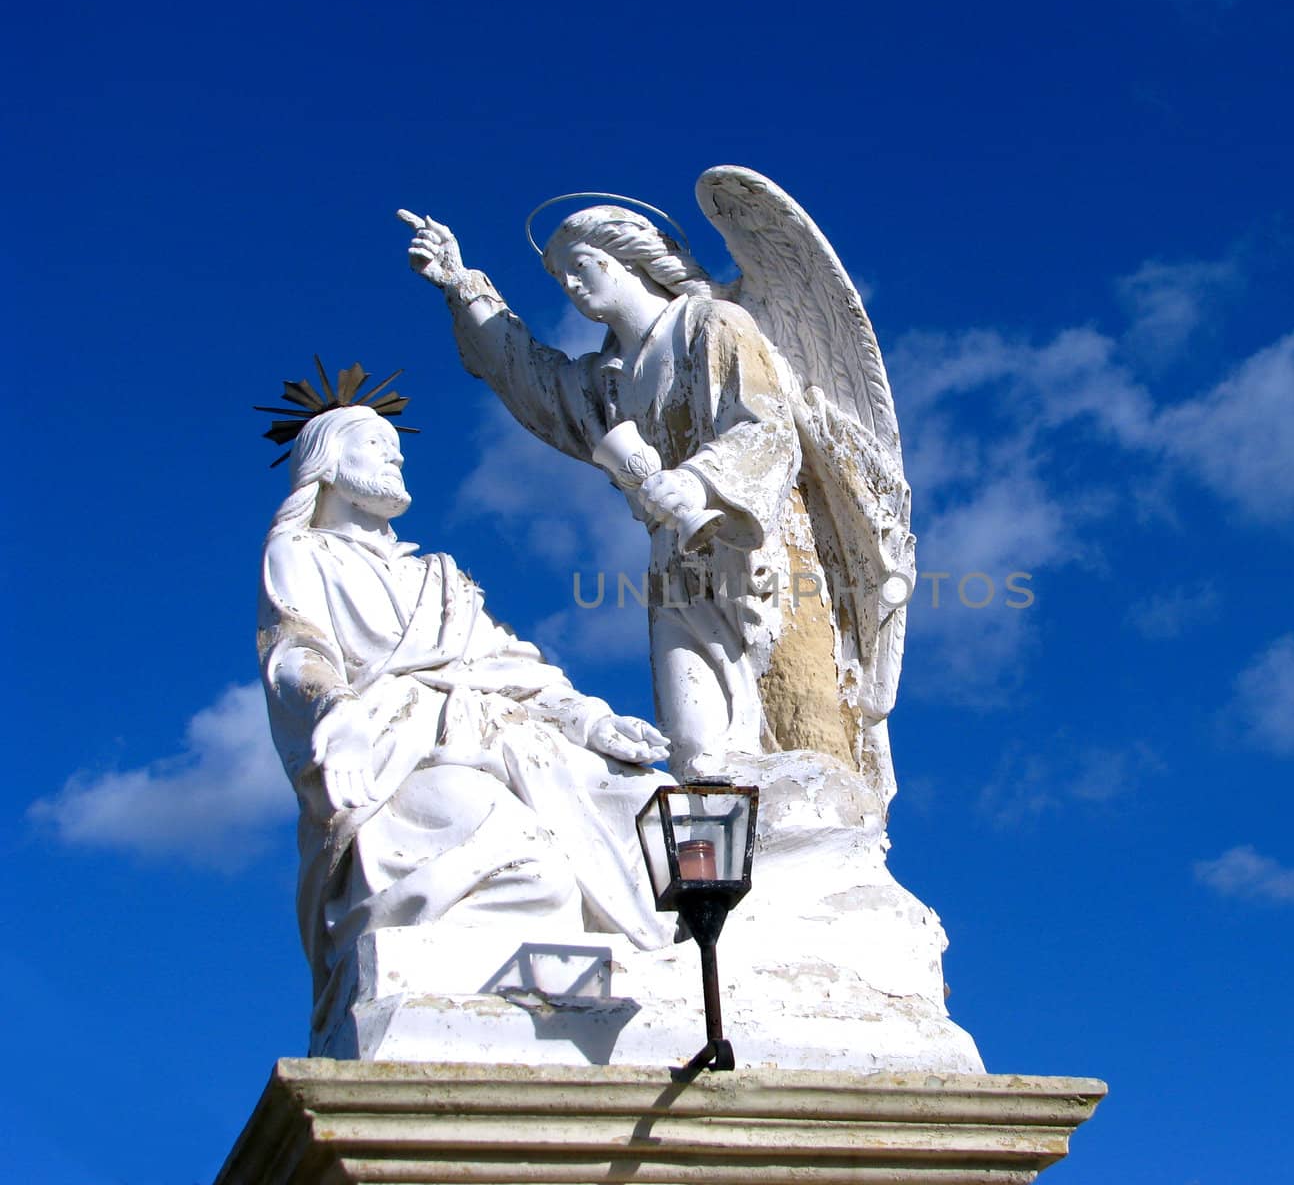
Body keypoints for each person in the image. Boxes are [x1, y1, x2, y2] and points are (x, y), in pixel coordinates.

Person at [400, 206, 858, 779]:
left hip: (759, 559)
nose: (570, 284)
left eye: (581, 265)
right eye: (559, 277)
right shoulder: (606, 380)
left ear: (628, 260)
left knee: (799, 743)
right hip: (677, 572)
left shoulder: (713, 324)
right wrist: (462, 285)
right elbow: (531, 379)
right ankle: (715, 866)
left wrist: (695, 479)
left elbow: (768, 428)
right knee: (696, 752)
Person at [258, 404, 674, 1030]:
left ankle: (684, 984)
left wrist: (589, 721)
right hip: (401, 749)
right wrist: (336, 713)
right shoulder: (302, 552)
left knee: (651, 802)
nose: (397, 455)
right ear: (330, 461)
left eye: (397, 443)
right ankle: (499, 1012)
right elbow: (297, 652)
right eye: (378, 443)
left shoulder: (438, 576)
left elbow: (511, 665)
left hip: (500, 732)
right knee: (533, 867)